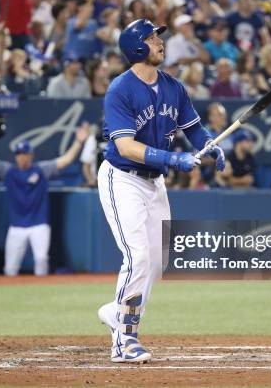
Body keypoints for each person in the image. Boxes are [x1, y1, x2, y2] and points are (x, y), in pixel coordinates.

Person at [96, 19, 225, 363]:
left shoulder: (173, 87)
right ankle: (124, 339)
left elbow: (194, 130)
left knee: (156, 262)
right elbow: (125, 146)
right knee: (137, 256)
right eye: (152, 38)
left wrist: (209, 146)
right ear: (136, 47)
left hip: (154, 182)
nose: (159, 42)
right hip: (122, 178)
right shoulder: (120, 89)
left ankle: (116, 312)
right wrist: (171, 157)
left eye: (158, 37)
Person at [0, 125, 90, 276]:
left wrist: (78, 142)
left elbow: (65, 160)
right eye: (18, 154)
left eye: (24, 153)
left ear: (31, 155)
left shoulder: (41, 170)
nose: (21, 157)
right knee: (10, 268)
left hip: (39, 225)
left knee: (41, 260)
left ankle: (43, 292)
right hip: (17, 227)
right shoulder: (9, 171)